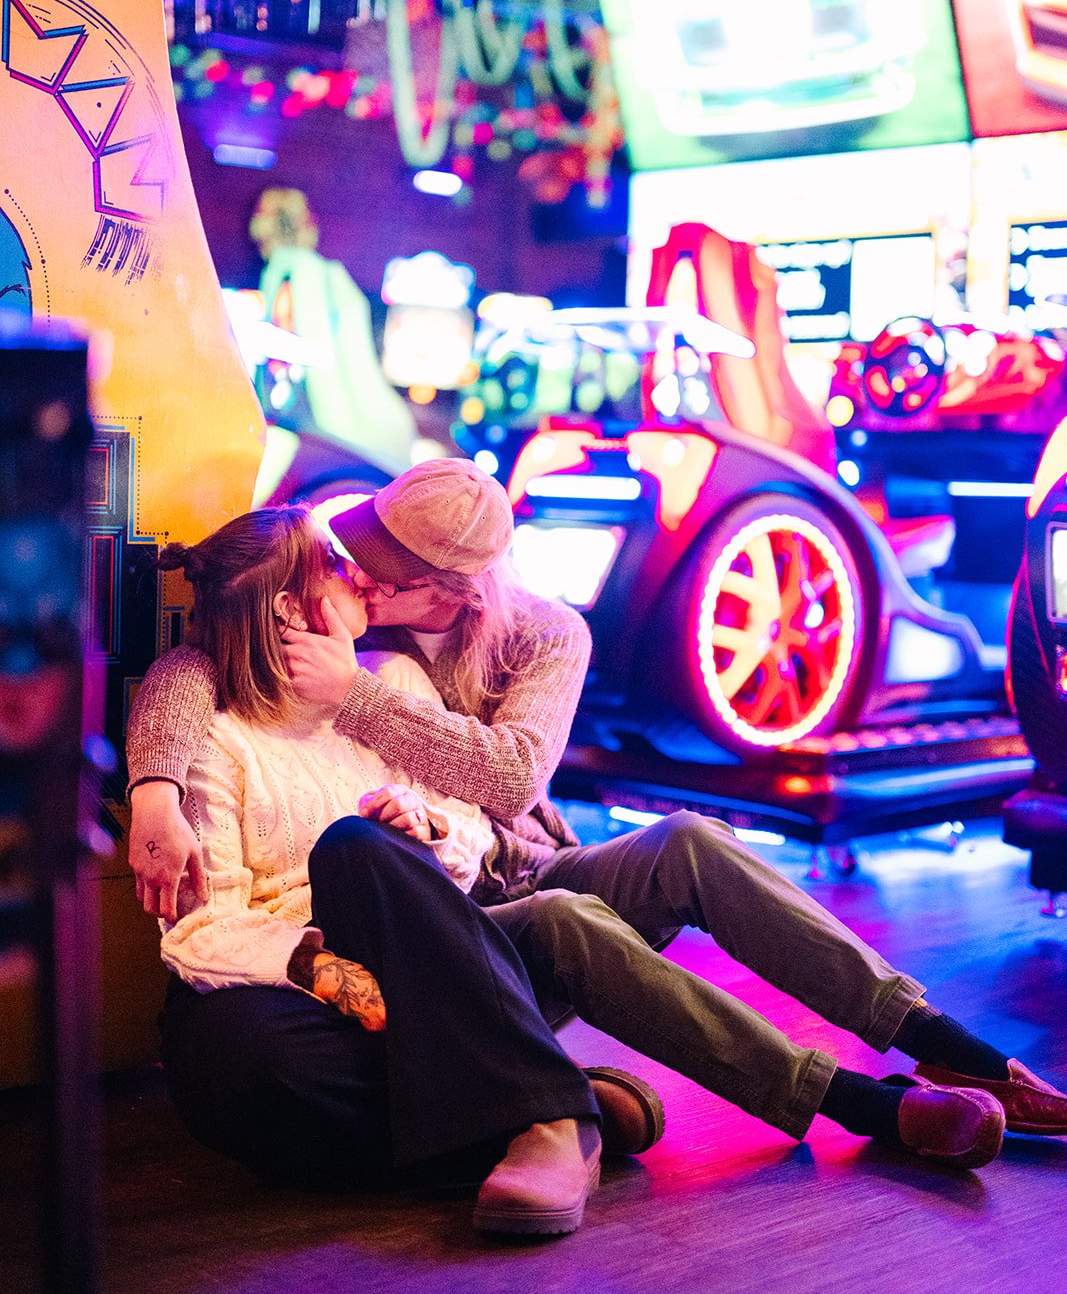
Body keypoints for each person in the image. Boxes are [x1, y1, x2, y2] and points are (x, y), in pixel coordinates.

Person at [128, 459, 1067, 1166]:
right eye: (352, 563)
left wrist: (363, 703)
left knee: (691, 842)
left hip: (515, 863)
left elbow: (507, 782)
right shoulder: (343, 643)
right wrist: (155, 786)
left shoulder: (526, 638)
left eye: (382, 577)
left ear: (450, 590)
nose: (360, 583)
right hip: (419, 908)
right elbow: (206, 661)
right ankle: (839, 1103)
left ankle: (948, 1049)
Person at [141, 503, 665, 1239]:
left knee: (356, 846)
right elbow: (204, 927)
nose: (358, 572)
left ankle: (536, 1113)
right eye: (333, 564)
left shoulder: (390, 676)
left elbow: (472, 834)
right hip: (301, 982)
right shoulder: (216, 738)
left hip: (420, 957)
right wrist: (324, 971)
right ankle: (542, 1109)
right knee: (245, 1066)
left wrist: (427, 827)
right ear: (291, 608)